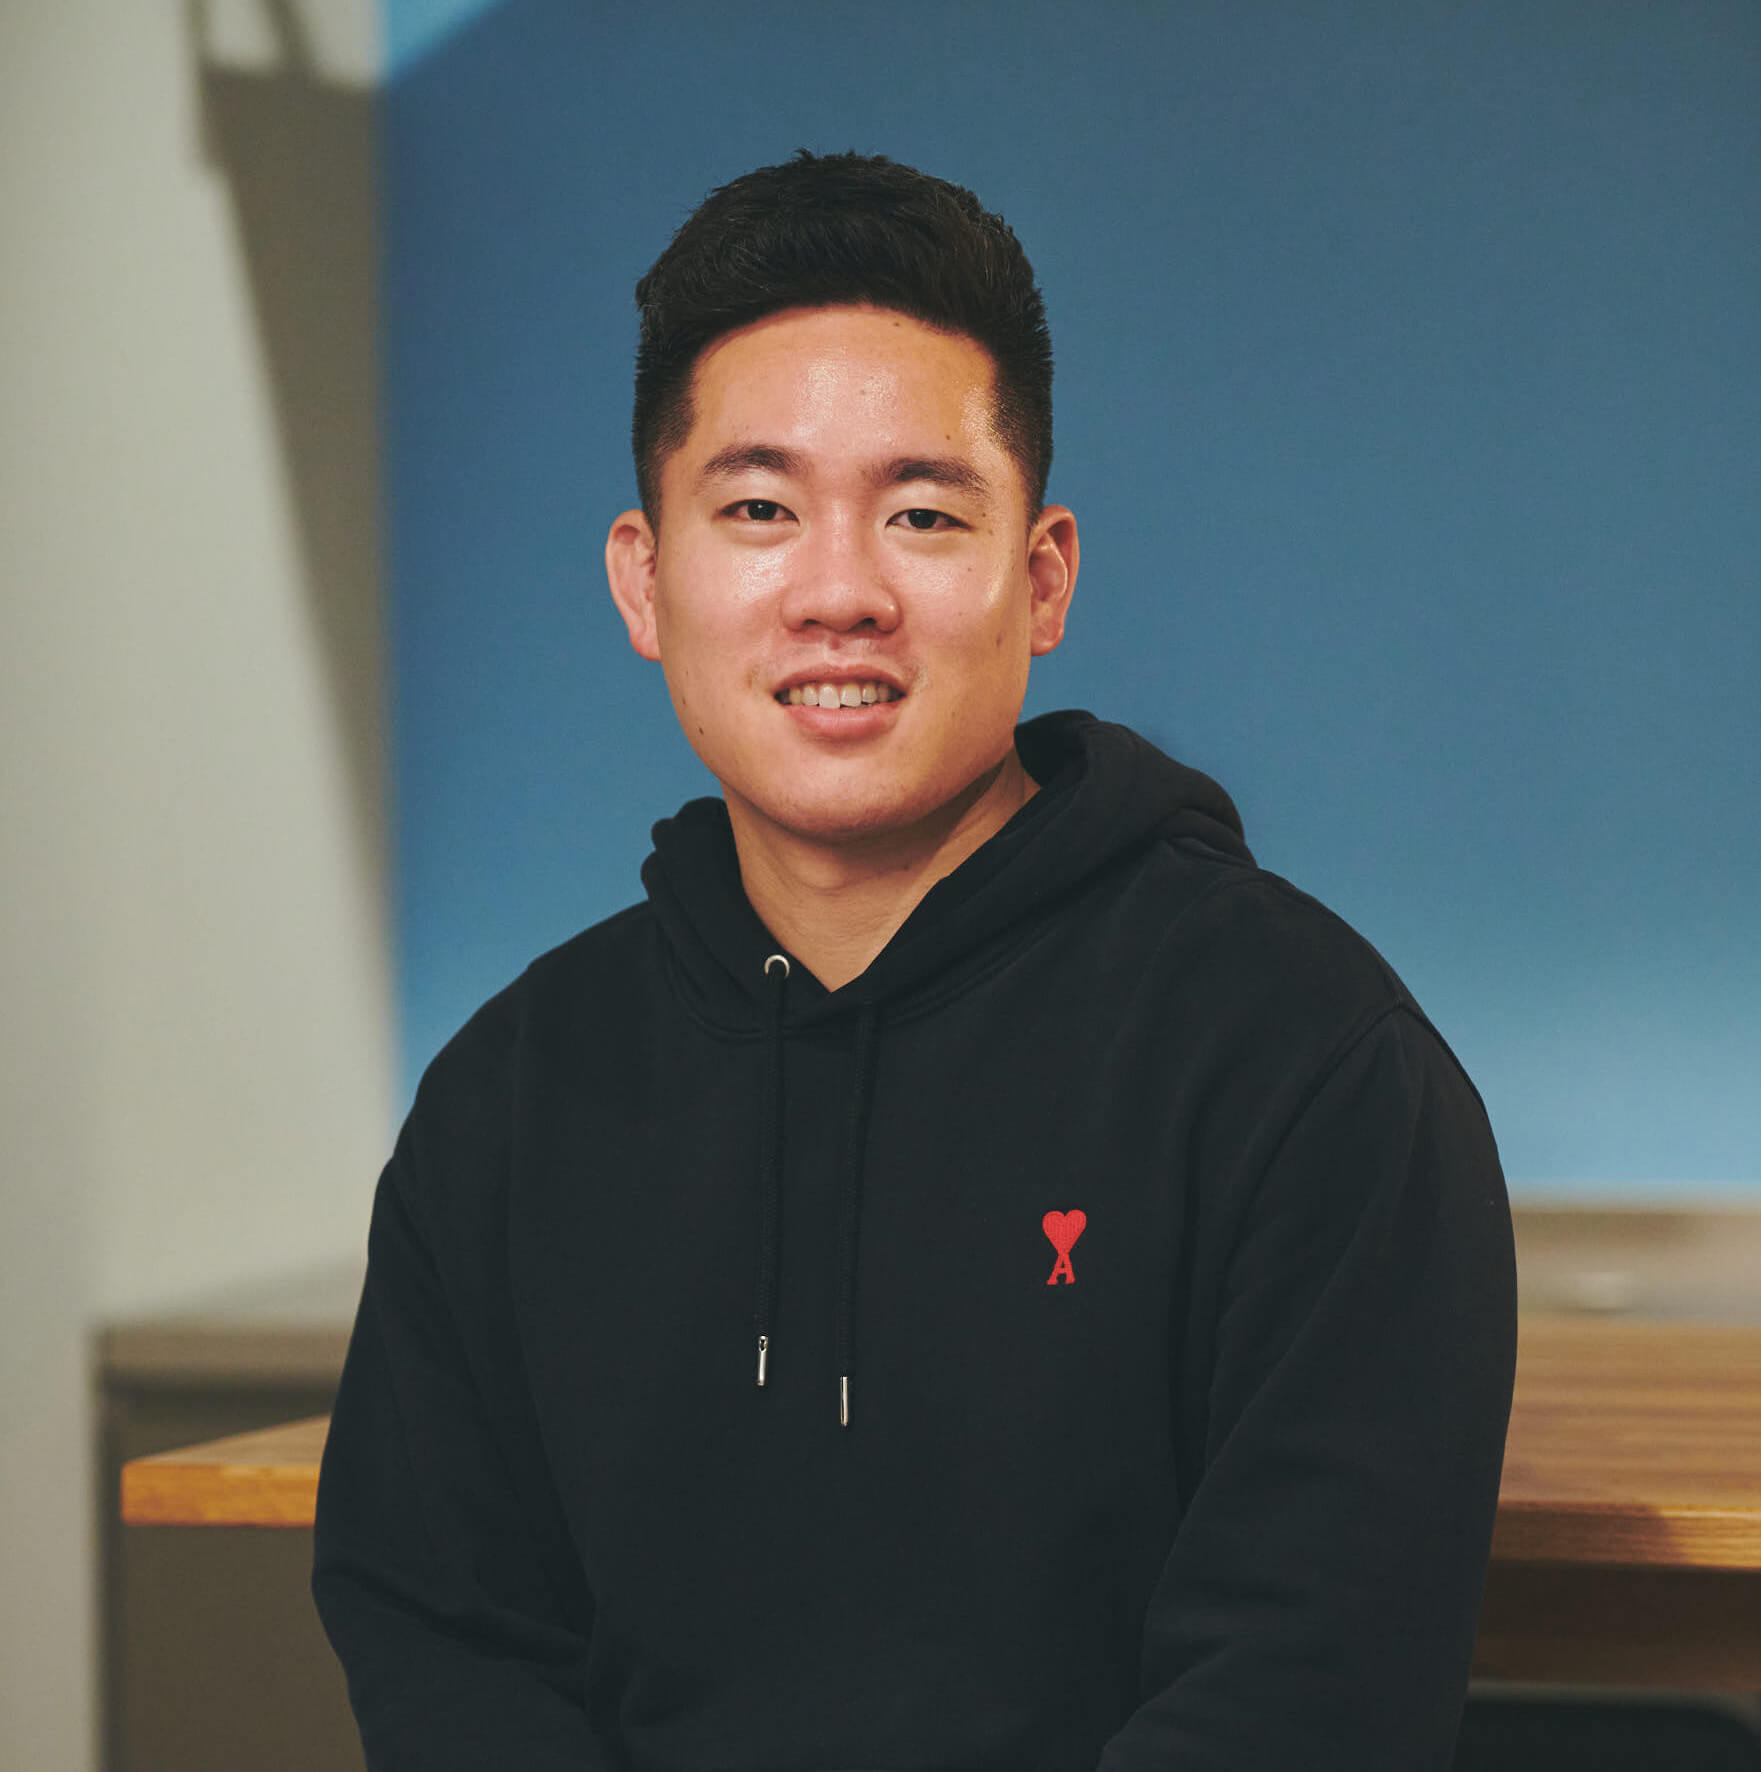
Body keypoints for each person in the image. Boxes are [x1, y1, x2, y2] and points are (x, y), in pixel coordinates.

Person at [313, 150, 1516, 1771]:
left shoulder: (1307, 1064)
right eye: (759, 510)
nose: (839, 594)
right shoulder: (513, 1099)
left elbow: (1310, 1691)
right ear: (645, 581)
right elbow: (448, 1642)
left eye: (923, 515)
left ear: (1043, 579)